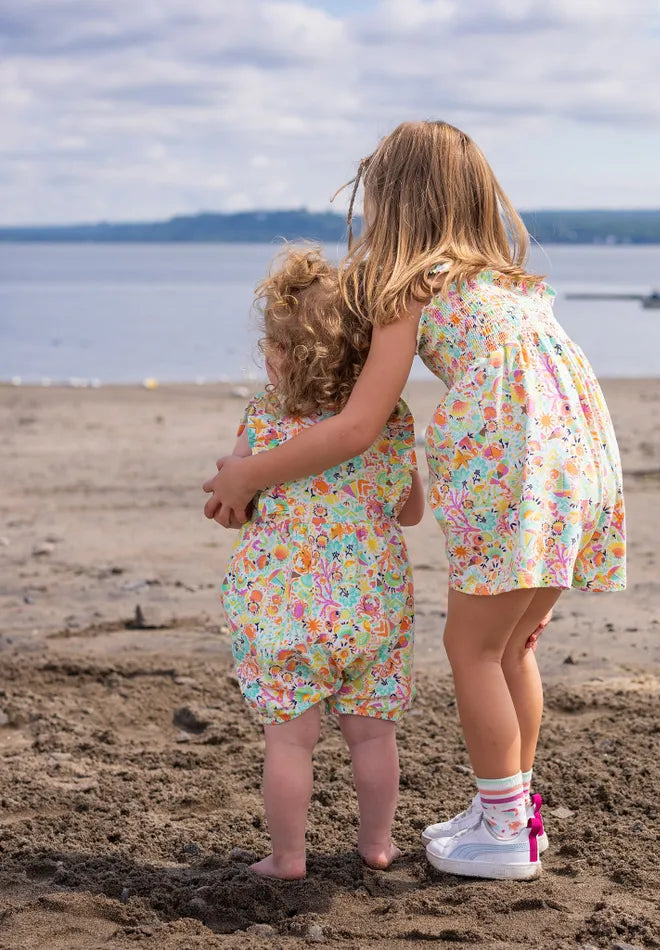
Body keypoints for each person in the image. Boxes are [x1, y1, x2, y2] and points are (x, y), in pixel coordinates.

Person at [205, 121, 626, 880]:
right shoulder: (512, 285)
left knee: (471, 649)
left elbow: (359, 424)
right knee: (512, 647)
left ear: (393, 201)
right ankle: (514, 812)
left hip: (512, 473)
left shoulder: (412, 285)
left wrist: (249, 473)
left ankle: (502, 832)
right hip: (576, 473)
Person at [219, 245, 424, 879]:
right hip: (372, 606)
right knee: (373, 737)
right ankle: (377, 845)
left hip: (282, 609)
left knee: (288, 741)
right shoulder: (390, 418)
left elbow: (234, 503)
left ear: (283, 356)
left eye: (270, 347)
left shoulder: (263, 421)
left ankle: (287, 857)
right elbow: (411, 510)